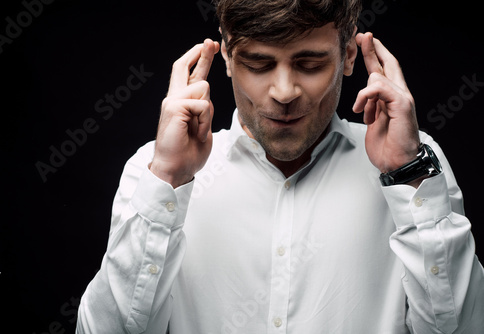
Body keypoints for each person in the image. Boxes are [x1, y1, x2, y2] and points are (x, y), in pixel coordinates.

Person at [76, 1, 484, 333]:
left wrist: (406, 173)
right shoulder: (155, 171)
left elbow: (460, 328)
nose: (284, 92)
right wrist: (167, 179)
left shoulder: (416, 164)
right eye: (259, 64)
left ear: (347, 56)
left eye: (309, 64)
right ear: (229, 58)